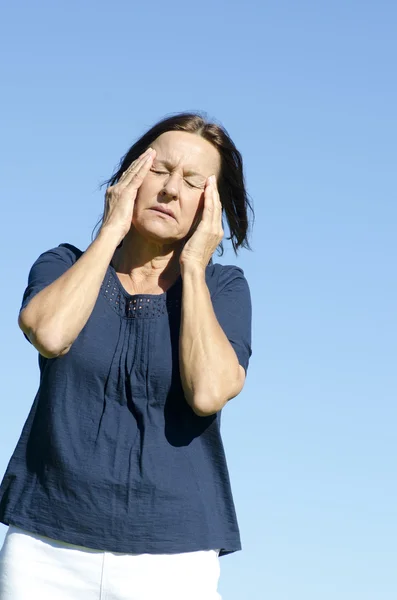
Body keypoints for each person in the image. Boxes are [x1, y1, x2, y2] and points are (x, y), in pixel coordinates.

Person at [0, 112, 253, 600]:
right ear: (130, 177)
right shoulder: (63, 263)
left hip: (173, 557)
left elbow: (208, 392)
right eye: (159, 171)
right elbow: (49, 334)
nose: (170, 190)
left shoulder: (225, 289)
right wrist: (111, 231)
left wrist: (194, 269)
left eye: (193, 181)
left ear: (210, 205)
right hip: (44, 549)